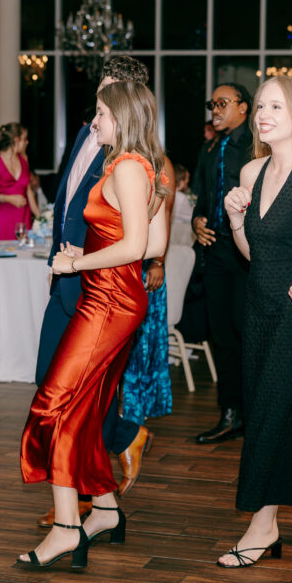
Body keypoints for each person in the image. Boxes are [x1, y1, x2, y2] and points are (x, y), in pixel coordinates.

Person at [17, 80, 169, 569]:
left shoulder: (126, 167)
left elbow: (136, 246)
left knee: (56, 405)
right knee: (83, 407)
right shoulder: (141, 165)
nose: (94, 121)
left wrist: (76, 263)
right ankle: (103, 510)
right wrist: (91, 253)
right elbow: (152, 244)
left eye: (101, 113)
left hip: (108, 301)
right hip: (112, 298)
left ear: (120, 117)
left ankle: (66, 529)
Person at [213, 76, 292, 569]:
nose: (263, 116)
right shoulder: (251, 171)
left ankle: (262, 525)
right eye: (261, 107)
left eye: (275, 107)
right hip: (259, 310)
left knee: (268, 416)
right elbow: (255, 254)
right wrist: (235, 220)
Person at [192, 82, 254, 445]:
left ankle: (255, 414)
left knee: (247, 333)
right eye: (212, 103)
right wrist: (196, 221)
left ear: (243, 107)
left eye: (223, 103)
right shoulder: (210, 148)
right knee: (222, 335)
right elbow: (203, 196)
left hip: (245, 254)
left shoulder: (257, 146)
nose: (215, 110)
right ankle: (230, 413)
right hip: (215, 251)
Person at [117, 156, 175, 496]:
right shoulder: (116, 159)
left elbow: (164, 213)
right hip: (119, 263)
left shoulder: (160, 161)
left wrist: (158, 261)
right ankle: (125, 425)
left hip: (145, 265)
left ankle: (134, 422)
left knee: (141, 348)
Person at [0, 122, 38, 239]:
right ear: (16, 140)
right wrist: (8, 199)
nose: (27, 142)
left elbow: (27, 190)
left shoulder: (24, 159)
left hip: (23, 216)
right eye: (24, 139)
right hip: (1, 218)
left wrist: (39, 216)